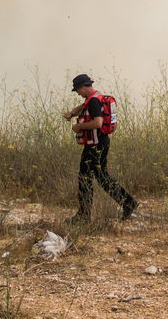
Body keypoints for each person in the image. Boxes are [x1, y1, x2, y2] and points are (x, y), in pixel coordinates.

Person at [63, 73, 137, 223]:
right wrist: (72, 113)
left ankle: (84, 216)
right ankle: (128, 203)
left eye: (77, 90)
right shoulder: (96, 96)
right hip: (101, 143)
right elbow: (84, 106)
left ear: (83, 87)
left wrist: (79, 126)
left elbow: (97, 122)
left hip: (95, 145)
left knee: (85, 179)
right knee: (100, 176)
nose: (77, 93)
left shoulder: (93, 102)